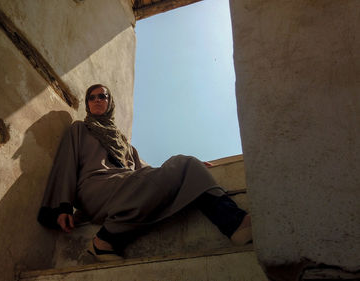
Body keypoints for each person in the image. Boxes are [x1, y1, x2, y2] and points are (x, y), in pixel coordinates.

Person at [38, 84, 252, 261]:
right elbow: (65, 165)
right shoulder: (80, 129)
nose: (96, 100)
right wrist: (63, 205)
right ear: (87, 104)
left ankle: (104, 242)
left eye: (102, 96)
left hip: (124, 186)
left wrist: (189, 170)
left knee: (184, 165)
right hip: (95, 188)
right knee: (183, 164)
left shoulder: (125, 145)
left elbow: (148, 176)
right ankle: (235, 222)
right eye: (91, 97)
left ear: (109, 102)